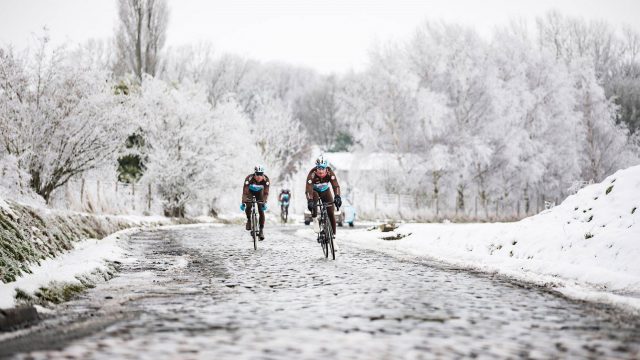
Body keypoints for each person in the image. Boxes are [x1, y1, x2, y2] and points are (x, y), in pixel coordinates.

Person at [305, 155, 341, 244]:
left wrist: (337, 196)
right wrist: (310, 200)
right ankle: (314, 218)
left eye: (323, 168)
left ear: (326, 168)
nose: (320, 171)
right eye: (319, 168)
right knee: (314, 200)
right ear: (316, 168)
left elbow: (335, 185)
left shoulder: (330, 173)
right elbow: (308, 189)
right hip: (314, 191)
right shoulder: (312, 174)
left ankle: (333, 237)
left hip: (325, 190)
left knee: (331, 212)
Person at [241, 165, 270, 240]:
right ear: (254, 174)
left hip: (260, 193)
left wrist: (264, 202)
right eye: (257, 174)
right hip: (250, 192)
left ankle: (261, 230)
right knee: (249, 205)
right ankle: (249, 220)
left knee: (261, 210)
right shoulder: (249, 178)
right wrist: (243, 202)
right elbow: (245, 192)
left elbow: (266, 193)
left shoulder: (266, 180)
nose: (259, 176)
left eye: (261, 174)